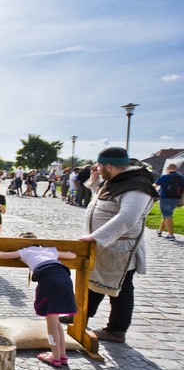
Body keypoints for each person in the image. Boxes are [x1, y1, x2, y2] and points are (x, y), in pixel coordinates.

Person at [61, 147, 158, 343]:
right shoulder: (118, 180)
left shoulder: (136, 186)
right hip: (104, 245)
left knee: (120, 287)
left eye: (98, 165)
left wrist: (95, 238)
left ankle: (116, 330)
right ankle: (80, 315)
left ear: (109, 166)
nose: (95, 167)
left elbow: (128, 218)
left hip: (120, 247)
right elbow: (104, 199)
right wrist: (96, 179)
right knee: (93, 281)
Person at [0, 245, 77, 367]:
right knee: (56, 321)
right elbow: (73, 255)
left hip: (49, 281)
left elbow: (2, 255)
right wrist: (67, 251)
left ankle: (55, 357)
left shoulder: (25, 251)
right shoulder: (50, 250)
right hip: (65, 279)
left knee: (51, 323)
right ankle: (63, 356)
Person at [154, 162, 184, 240]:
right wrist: (182, 200)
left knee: (167, 215)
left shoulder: (164, 177)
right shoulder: (182, 178)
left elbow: (154, 186)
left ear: (167, 169)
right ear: (176, 169)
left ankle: (171, 235)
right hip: (176, 199)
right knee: (167, 215)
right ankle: (160, 231)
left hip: (165, 199)